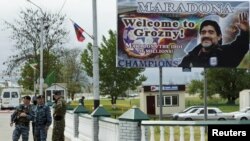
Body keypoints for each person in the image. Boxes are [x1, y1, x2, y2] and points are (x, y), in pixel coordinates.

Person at [178, 13, 249, 68]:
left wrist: (245, 32)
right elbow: (180, 72)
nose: (206, 35)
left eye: (211, 32)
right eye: (203, 32)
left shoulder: (227, 53)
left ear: (219, 37)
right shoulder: (190, 58)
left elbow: (241, 46)